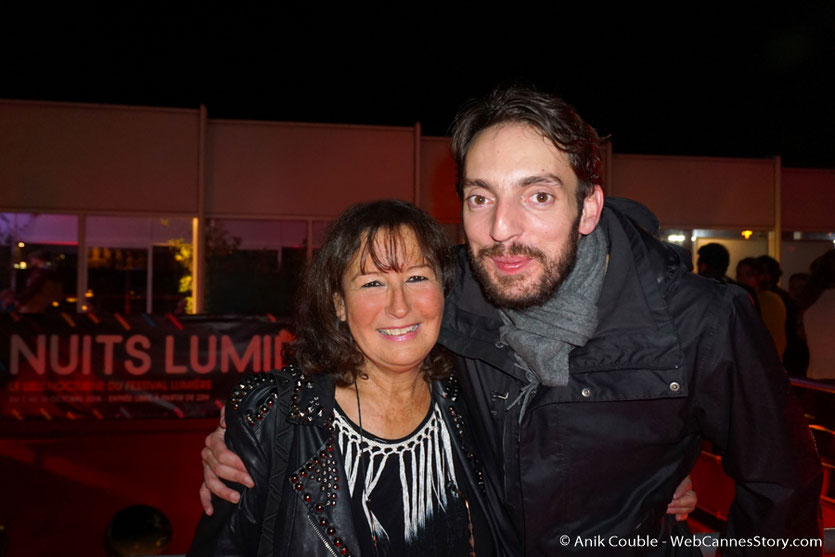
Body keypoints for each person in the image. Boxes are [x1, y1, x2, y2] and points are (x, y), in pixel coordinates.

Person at [202, 86, 821, 555]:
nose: (502, 229)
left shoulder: (701, 322)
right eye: (480, 197)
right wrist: (256, 426)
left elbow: (784, 498)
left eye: (538, 195)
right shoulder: (450, 287)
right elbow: (359, 323)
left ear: (588, 207)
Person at [189, 200, 514, 556]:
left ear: (444, 290)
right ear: (338, 303)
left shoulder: (480, 401)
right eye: (373, 283)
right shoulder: (273, 416)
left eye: (417, 277)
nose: (400, 306)